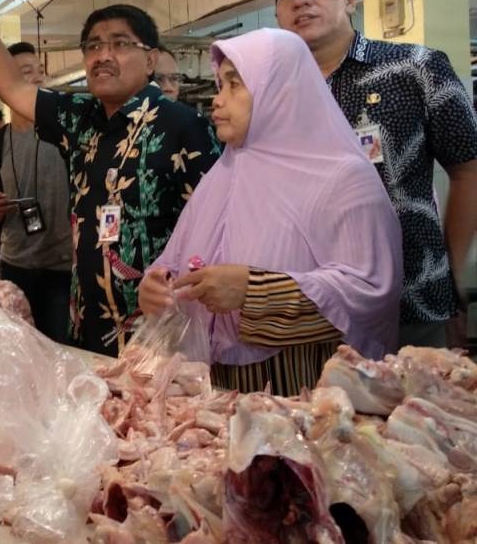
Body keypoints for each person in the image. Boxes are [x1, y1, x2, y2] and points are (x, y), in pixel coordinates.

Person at [0, 0, 220, 355]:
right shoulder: (82, 121)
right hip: (87, 325)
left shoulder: (184, 126)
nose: (102, 55)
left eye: (119, 44)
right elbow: (12, 87)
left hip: (159, 331)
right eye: (93, 46)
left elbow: (215, 230)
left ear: (150, 59)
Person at [139, 28, 402, 395]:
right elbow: (178, 257)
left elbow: (371, 292)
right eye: (220, 84)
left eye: (234, 85)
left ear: (281, 93)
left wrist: (256, 290)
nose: (217, 100)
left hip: (302, 384)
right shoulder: (224, 173)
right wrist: (158, 284)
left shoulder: (343, 177)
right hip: (213, 385)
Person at [275, 0, 477, 348]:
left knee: (418, 409)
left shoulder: (416, 68)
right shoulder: (275, 94)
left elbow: (468, 170)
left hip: (411, 298)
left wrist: (448, 272)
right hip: (306, 307)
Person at [0, 42, 74, 344]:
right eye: (26, 72)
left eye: (40, 72)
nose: (37, 79)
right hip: (15, 267)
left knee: (62, 352)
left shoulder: (69, 136)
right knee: (20, 352)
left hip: (66, 266)